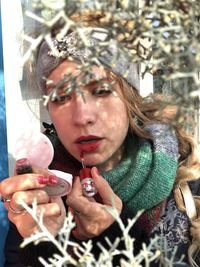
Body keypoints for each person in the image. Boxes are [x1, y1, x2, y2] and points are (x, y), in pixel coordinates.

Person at [0, 12, 200, 267]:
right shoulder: (41, 202)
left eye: (102, 90)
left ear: (130, 97)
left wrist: (118, 237)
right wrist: (39, 244)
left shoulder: (189, 186)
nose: (83, 117)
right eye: (61, 97)